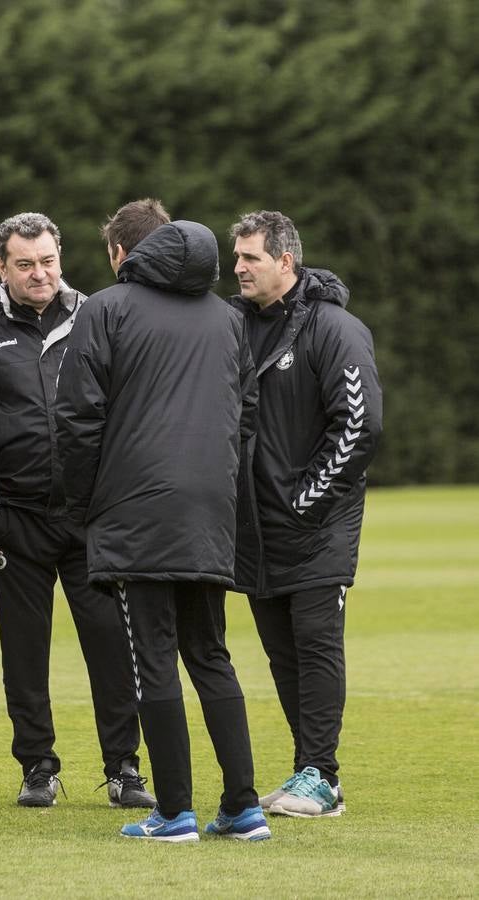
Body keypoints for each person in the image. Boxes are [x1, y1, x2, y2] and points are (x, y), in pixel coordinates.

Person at [55, 199, 267, 843]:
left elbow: (76, 418)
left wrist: (83, 505)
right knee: (210, 653)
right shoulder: (228, 318)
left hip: (135, 508)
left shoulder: (104, 309)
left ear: (125, 254)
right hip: (208, 507)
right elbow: (246, 412)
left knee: (153, 657)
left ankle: (174, 812)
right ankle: (242, 806)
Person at [0, 212, 153, 809]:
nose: (39, 274)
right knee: (23, 653)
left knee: (111, 649)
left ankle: (124, 768)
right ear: (2, 267)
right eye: (24, 264)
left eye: (47, 261)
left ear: (61, 256)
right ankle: (37, 767)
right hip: (15, 519)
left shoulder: (99, 314)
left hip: (88, 518)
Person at [228, 210, 382, 818]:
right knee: (281, 651)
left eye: (250, 258)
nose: (237, 268)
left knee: (316, 644)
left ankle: (320, 773)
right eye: (236, 257)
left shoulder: (335, 328)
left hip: (318, 523)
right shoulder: (233, 325)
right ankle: (309, 773)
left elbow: (361, 424)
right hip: (254, 524)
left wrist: (307, 500)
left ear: (285, 262)